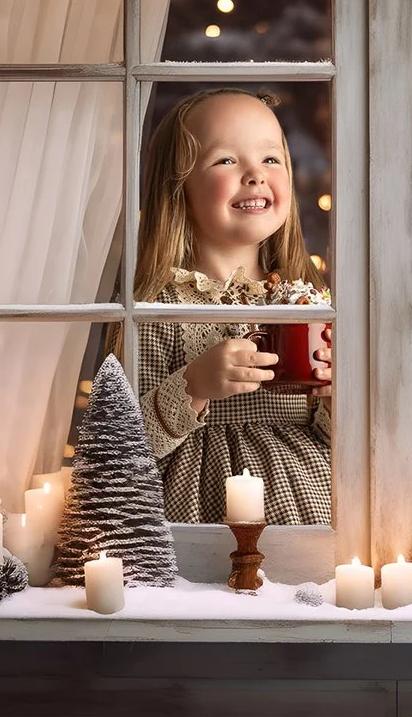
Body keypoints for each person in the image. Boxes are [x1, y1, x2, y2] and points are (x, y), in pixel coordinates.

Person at [131, 88, 332, 524]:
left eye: (271, 159)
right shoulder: (158, 306)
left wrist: (337, 399)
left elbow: (339, 439)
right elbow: (121, 449)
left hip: (311, 509)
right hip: (200, 516)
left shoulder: (306, 300)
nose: (255, 176)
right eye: (226, 160)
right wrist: (193, 386)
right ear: (179, 184)